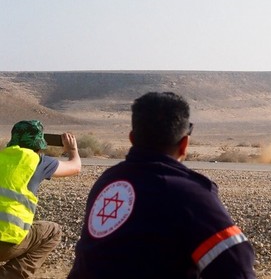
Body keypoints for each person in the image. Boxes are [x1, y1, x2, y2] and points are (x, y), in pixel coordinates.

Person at [68, 92, 256, 279]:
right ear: (184, 144)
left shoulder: (107, 182)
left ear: (132, 139)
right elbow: (237, 268)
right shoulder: (188, 194)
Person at [0, 120, 81, 279]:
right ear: (39, 145)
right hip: (7, 243)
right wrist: (72, 149)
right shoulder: (38, 161)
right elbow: (75, 167)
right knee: (52, 231)